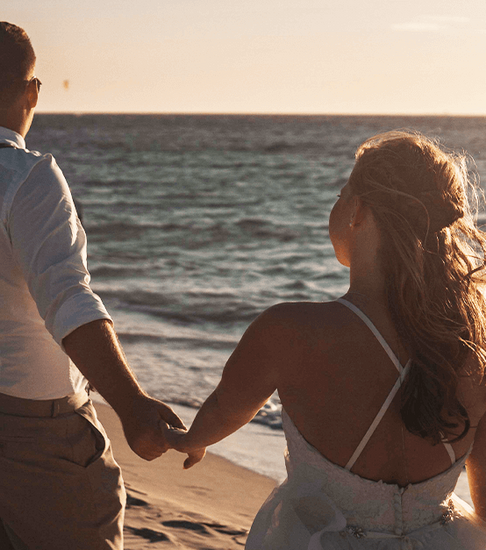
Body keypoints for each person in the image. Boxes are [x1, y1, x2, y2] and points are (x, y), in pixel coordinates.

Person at [163, 131, 486, 549]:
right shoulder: (471, 346)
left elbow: (226, 408)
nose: (337, 203)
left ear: (358, 211)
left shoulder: (289, 331)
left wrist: (193, 440)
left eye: (341, 193)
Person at [0, 21, 184, 550]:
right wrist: (132, 404)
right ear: (33, 92)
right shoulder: (27, 175)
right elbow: (69, 300)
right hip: (31, 426)